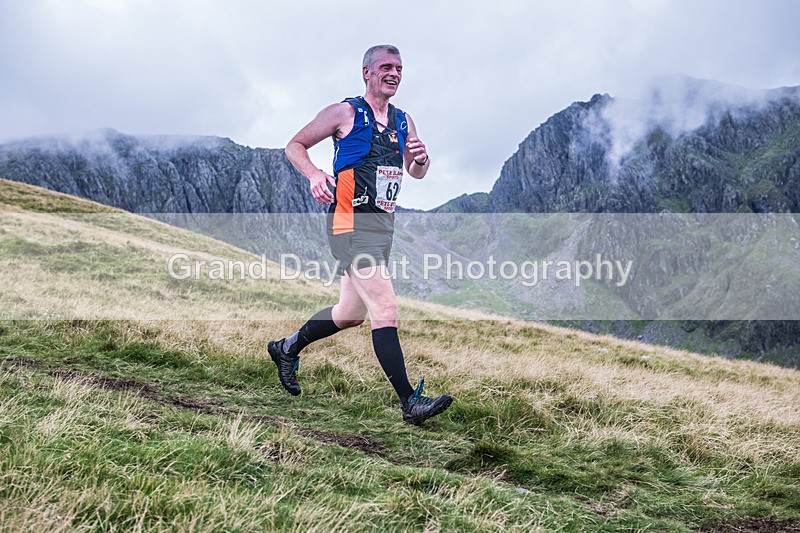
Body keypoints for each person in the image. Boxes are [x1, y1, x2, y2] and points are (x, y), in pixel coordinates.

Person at [268, 44, 452, 425]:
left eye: (399, 68)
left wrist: (421, 159)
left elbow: (415, 173)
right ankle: (410, 403)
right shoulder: (345, 112)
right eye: (385, 67)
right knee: (385, 308)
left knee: (349, 314)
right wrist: (316, 175)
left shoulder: (404, 122)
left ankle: (286, 348)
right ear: (366, 72)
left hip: (381, 227)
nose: (394, 73)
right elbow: (294, 145)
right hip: (349, 223)